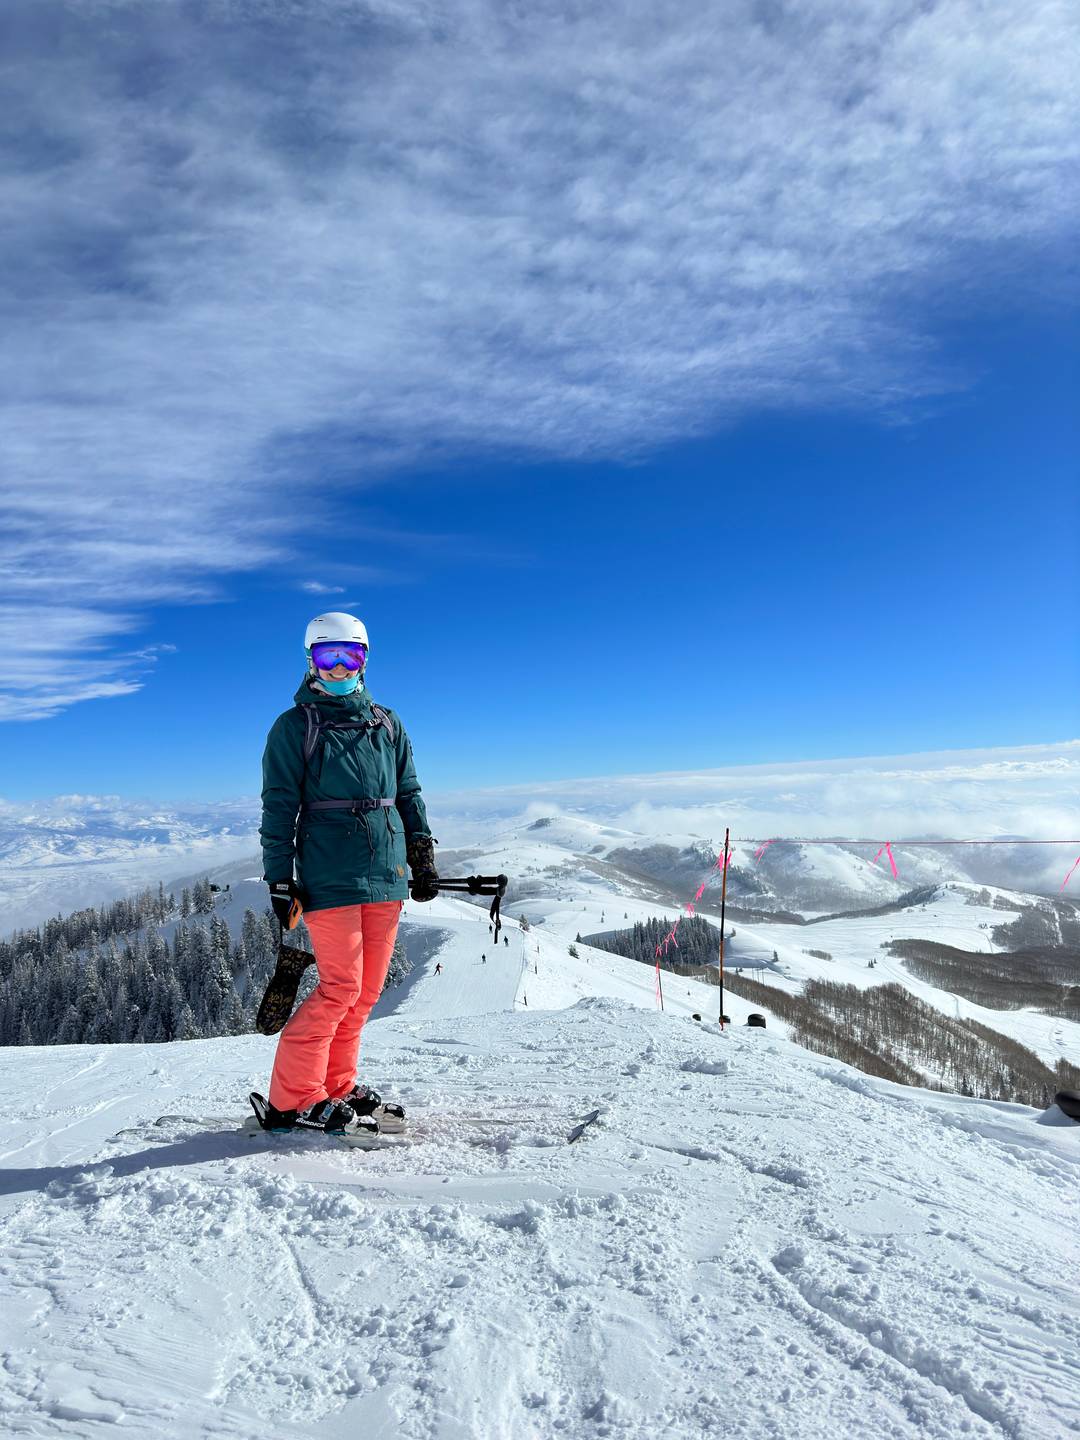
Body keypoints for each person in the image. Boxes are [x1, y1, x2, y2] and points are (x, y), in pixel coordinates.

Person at [259, 613, 439, 1134]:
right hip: (328, 876)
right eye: (326, 657)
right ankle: (292, 1098)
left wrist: (421, 854)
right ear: (311, 660)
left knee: (365, 992)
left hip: (385, 873)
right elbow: (278, 807)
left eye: (349, 657)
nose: (338, 668)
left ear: (365, 659)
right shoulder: (295, 726)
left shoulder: (387, 723)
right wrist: (279, 878)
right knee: (340, 987)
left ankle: (337, 1085)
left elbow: (408, 792)